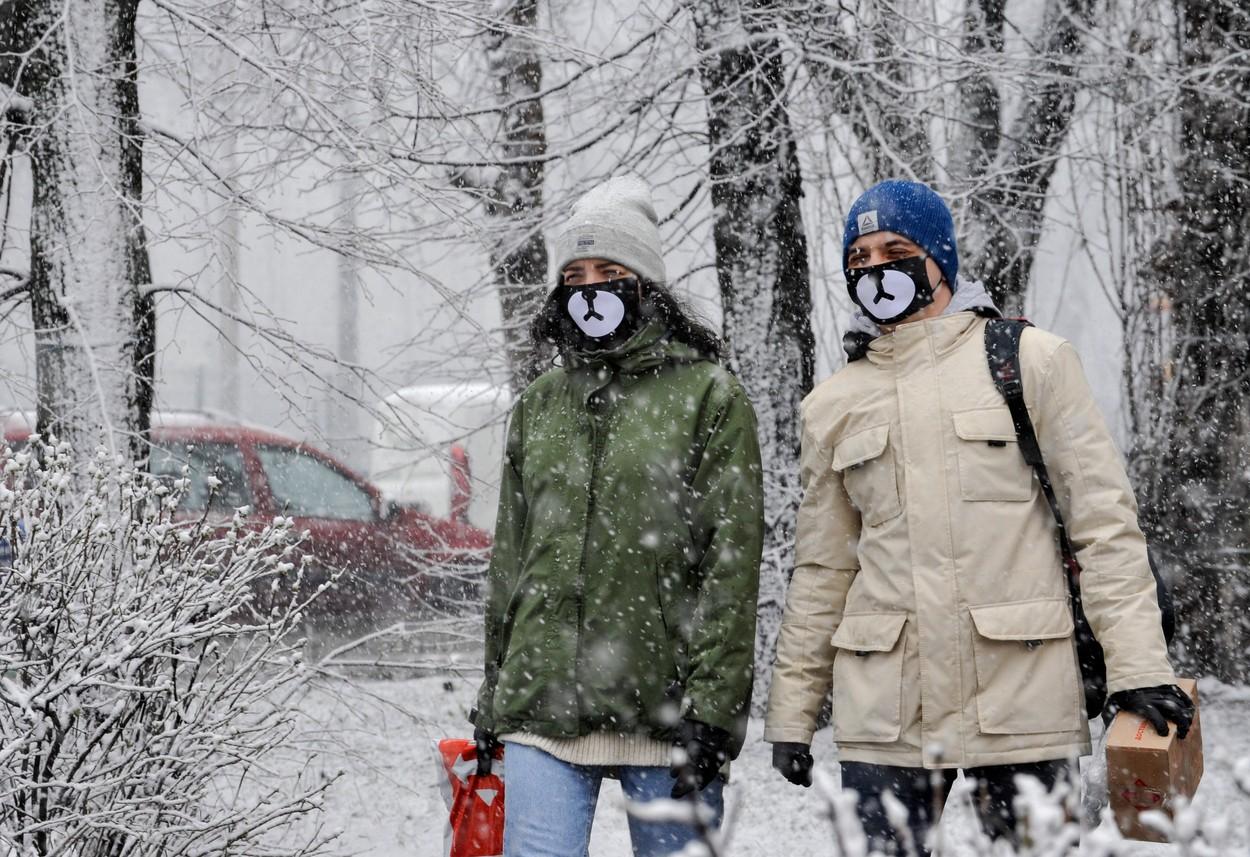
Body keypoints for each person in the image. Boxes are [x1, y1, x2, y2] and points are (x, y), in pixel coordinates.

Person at [763, 180, 1193, 853]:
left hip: (1021, 696)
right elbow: (823, 568)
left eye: (895, 251)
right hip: (886, 711)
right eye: (859, 258)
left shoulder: (1030, 360)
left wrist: (1139, 669)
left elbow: (1104, 527)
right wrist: (792, 710)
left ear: (938, 257)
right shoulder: (833, 404)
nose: (875, 270)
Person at [471, 176, 764, 857]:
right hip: (541, 707)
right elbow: (510, 563)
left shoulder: (708, 397)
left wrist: (713, 712)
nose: (590, 289)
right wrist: (493, 694)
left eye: (609, 272)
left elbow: (730, 566)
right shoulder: (540, 405)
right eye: (574, 276)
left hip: (667, 718)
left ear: (646, 284)